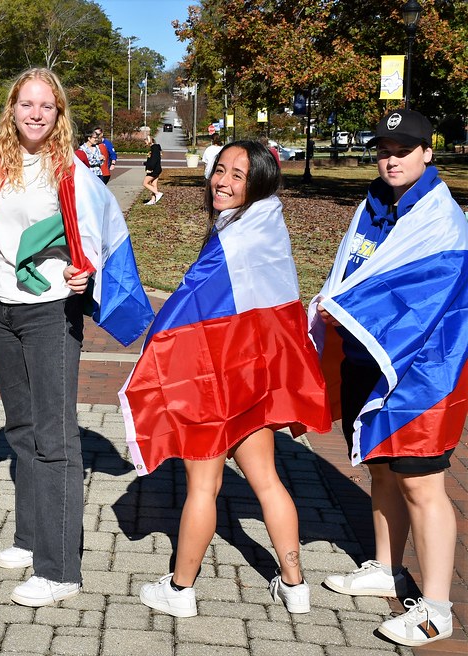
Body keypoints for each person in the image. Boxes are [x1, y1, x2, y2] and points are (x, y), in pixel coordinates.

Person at [133, 141, 328, 618]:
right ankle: (295, 584)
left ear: (257, 182)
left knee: (203, 486)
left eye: (238, 175)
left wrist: (152, 347)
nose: (222, 181)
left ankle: (180, 590)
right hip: (252, 377)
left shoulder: (231, 241)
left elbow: (187, 306)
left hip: (214, 380)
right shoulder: (269, 227)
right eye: (219, 170)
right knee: (266, 479)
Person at [0, 68, 101, 608]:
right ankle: (31, 537)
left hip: (51, 309)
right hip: (1, 306)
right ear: (11, 109)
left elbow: (95, 235)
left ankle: (60, 570)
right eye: (27, 104)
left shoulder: (72, 171)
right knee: (21, 430)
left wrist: (87, 270)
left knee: (55, 439)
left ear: (59, 115)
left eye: (47, 106)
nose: (36, 114)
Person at [313, 109, 466, 648]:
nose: (391, 157)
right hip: (368, 361)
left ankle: (438, 609)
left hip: (422, 376)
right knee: (379, 469)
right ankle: (385, 567)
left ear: (428, 152)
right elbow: (350, 273)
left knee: (423, 486)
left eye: (404, 148)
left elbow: (425, 304)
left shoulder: (442, 219)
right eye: (383, 148)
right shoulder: (374, 204)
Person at [142, 134, 163, 204]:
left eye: (146, 142)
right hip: (157, 169)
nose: (145, 143)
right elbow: (153, 159)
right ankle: (153, 200)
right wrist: (146, 163)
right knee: (154, 185)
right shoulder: (155, 148)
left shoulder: (154, 148)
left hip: (154, 170)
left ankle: (158, 194)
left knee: (145, 183)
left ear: (149, 141)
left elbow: (154, 160)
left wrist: (149, 167)